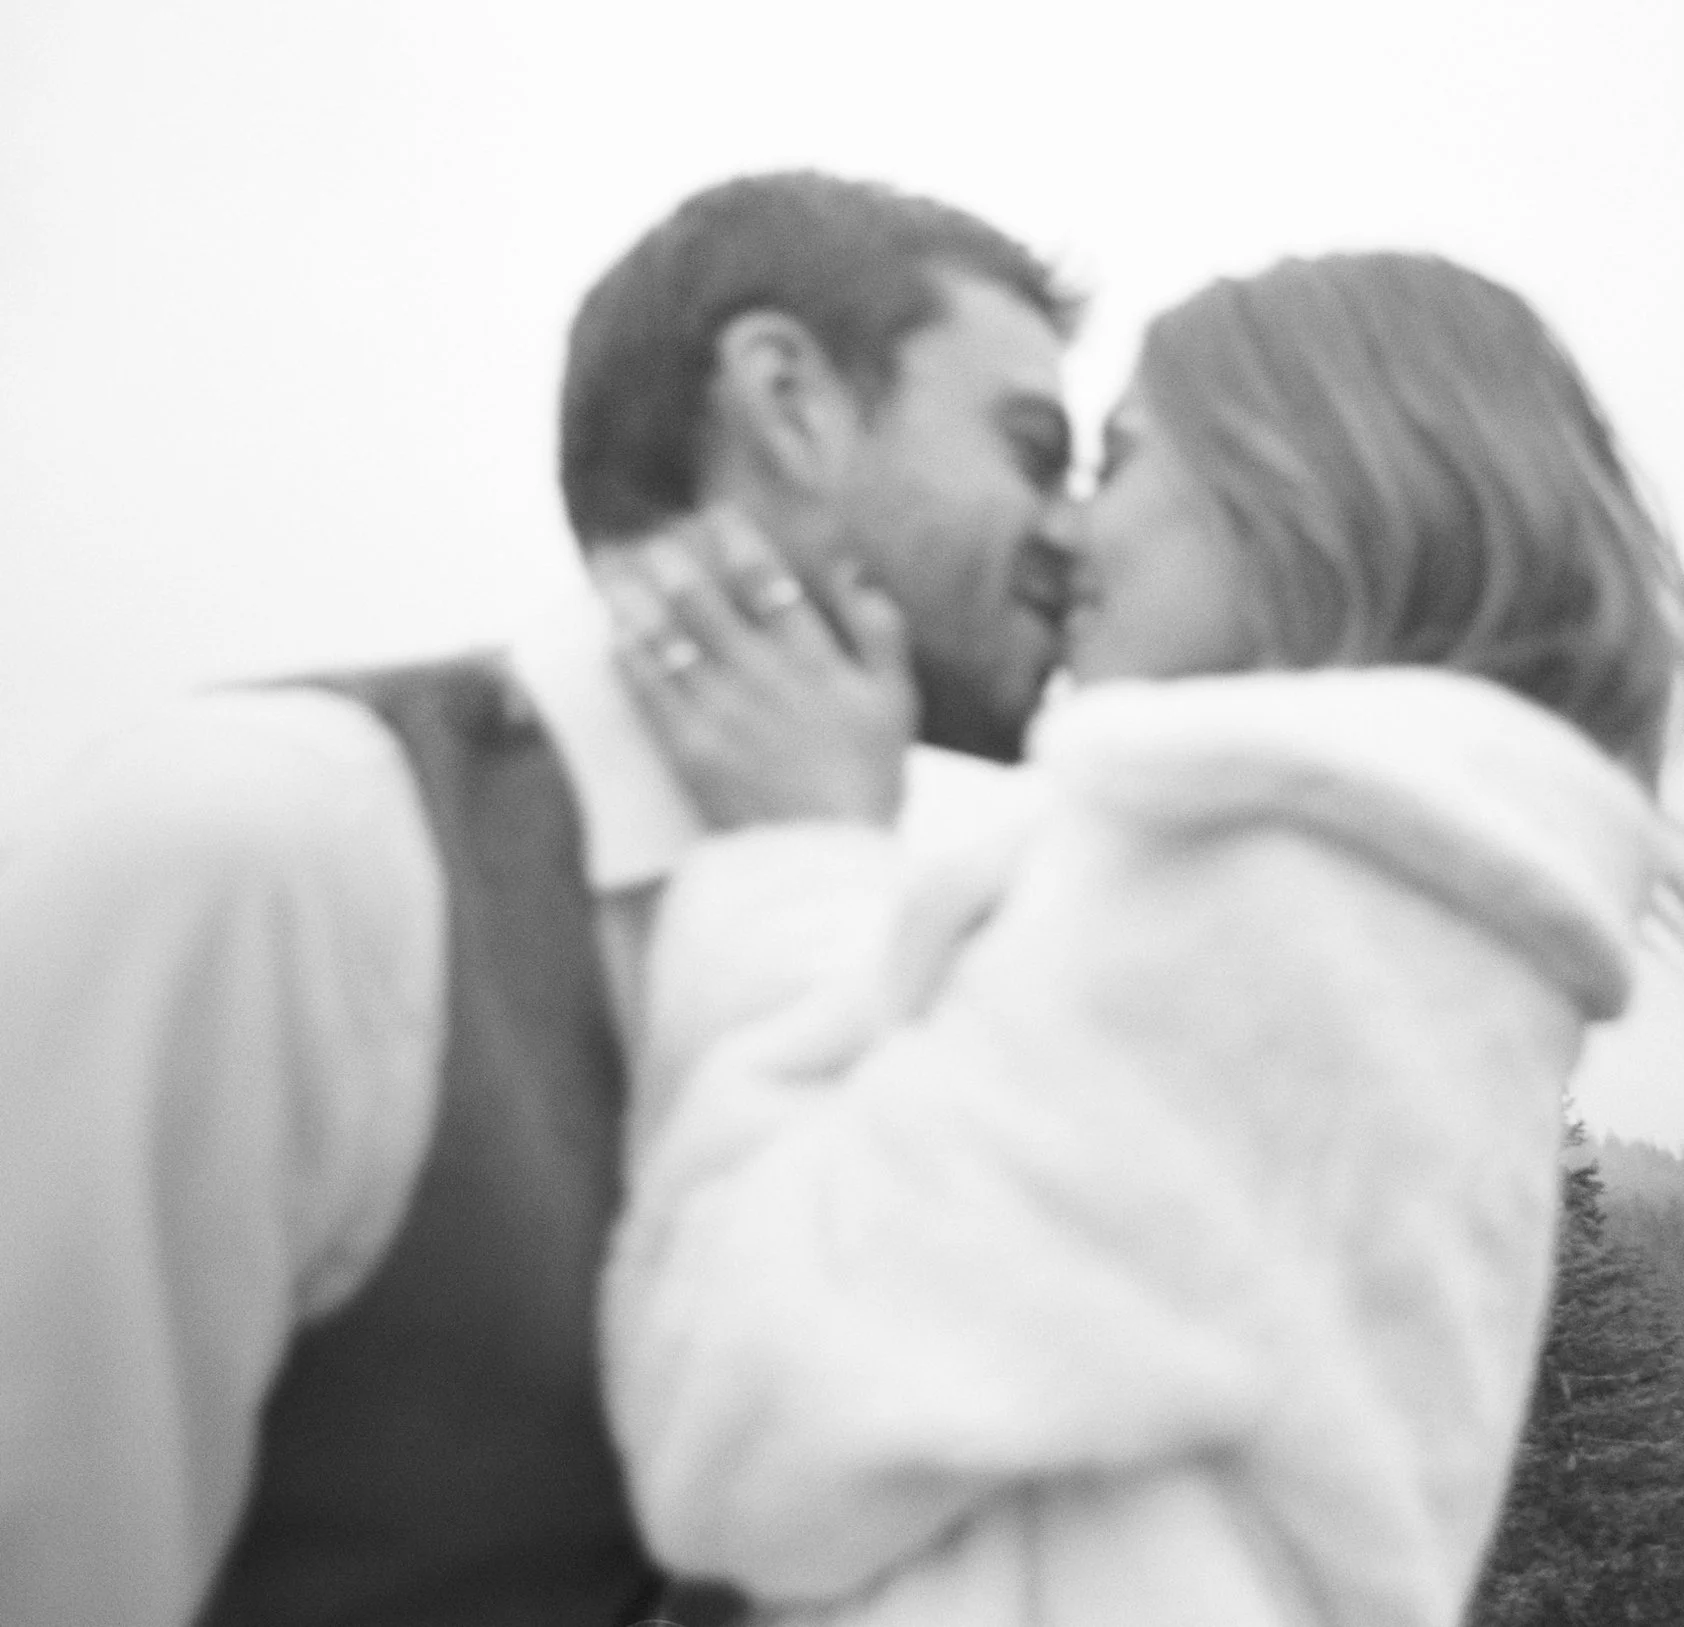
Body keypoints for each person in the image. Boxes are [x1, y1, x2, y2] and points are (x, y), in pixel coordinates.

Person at [0, 171, 1079, 1627]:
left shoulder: (909, 955)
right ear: (791, 400)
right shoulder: (262, 844)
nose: (1070, 538)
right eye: (1032, 450)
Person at [597, 252, 1684, 1626]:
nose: (1063, 534)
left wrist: (792, 853)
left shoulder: (1265, 897)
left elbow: (746, 1422)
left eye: (1118, 460)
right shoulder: (1405, 898)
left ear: (1308, 484)